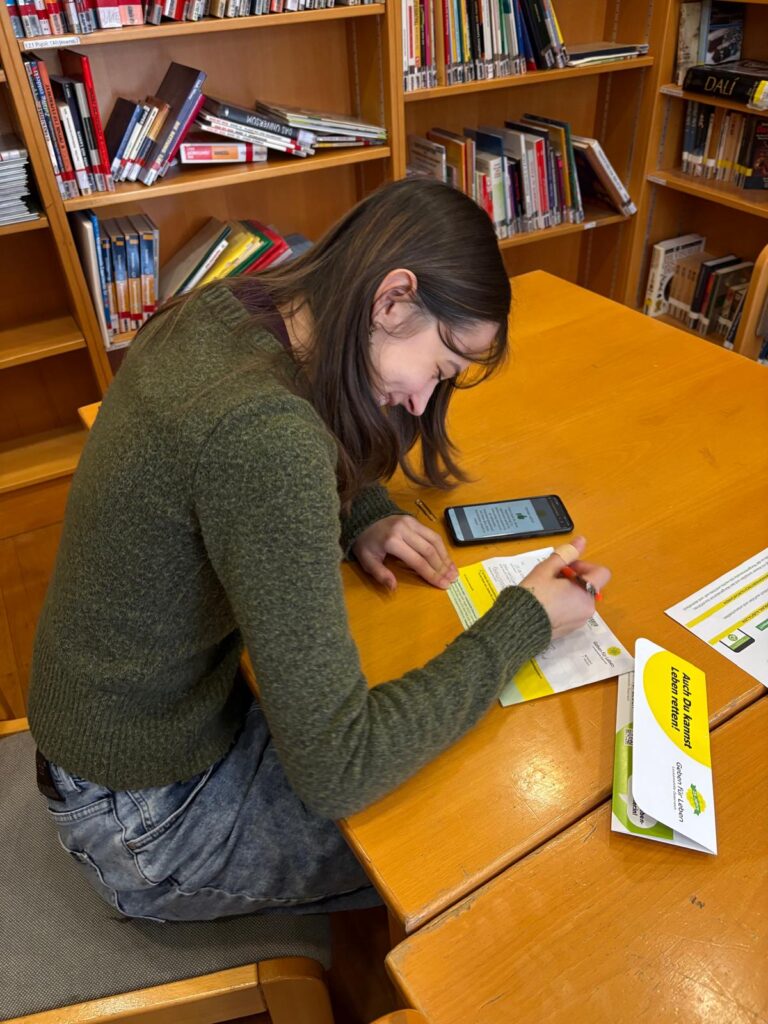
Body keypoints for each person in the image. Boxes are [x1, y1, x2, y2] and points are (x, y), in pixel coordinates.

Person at [28, 178, 610, 922]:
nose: (423, 401)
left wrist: (360, 510)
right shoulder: (268, 441)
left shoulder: (233, 308)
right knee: (498, 819)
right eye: (440, 367)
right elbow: (340, 767)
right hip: (145, 819)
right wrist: (524, 621)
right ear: (393, 300)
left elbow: (275, 428)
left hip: (117, 736)